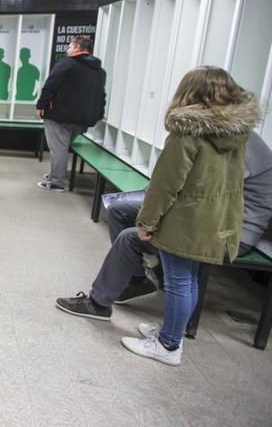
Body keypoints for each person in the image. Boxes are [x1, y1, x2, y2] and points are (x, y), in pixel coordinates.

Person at [119, 67, 258, 365]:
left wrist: (147, 222)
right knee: (190, 279)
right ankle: (172, 333)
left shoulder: (188, 132)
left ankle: (169, 345)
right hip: (218, 218)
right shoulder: (237, 133)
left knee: (179, 280)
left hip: (186, 219)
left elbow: (166, 184)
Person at [56, 130, 272, 321]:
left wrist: (154, 220)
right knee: (119, 209)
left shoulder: (240, 147)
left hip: (229, 233)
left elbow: (204, 198)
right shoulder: (225, 137)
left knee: (130, 238)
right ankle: (136, 280)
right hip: (210, 219)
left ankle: (99, 303)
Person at [36, 35, 106, 192]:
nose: (67, 49)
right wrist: (98, 115)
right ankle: (57, 173)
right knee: (63, 147)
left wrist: (41, 106)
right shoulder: (99, 71)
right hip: (84, 119)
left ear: (77, 47)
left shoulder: (67, 64)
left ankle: (56, 182)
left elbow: (51, 85)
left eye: (70, 46)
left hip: (59, 115)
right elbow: (101, 96)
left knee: (58, 148)